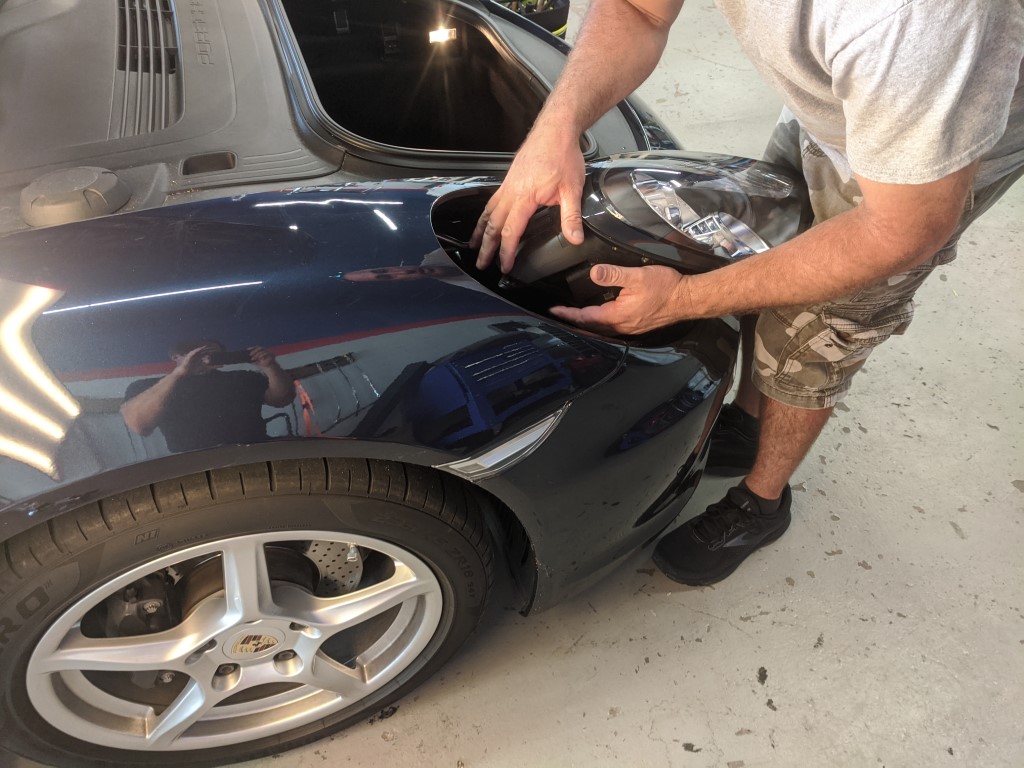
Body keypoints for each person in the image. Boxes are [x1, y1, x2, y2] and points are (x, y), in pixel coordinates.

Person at [471, 0, 1024, 585]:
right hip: (839, 104)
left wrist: (684, 299)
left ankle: (762, 503)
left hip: (918, 172)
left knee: (815, 340)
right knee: (760, 260)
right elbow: (639, 10)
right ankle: (749, 420)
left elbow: (903, 230)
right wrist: (554, 130)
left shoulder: (913, 20)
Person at [121, 340, 295, 452]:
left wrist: (269, 366)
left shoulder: (243, 378)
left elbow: (282, 399)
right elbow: (139, 424)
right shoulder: (149, 388)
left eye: (214, 354)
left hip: (256, 459)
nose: (208, 358)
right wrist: (179, 373)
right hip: (193, 472)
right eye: (200, 353)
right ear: (176, 357)